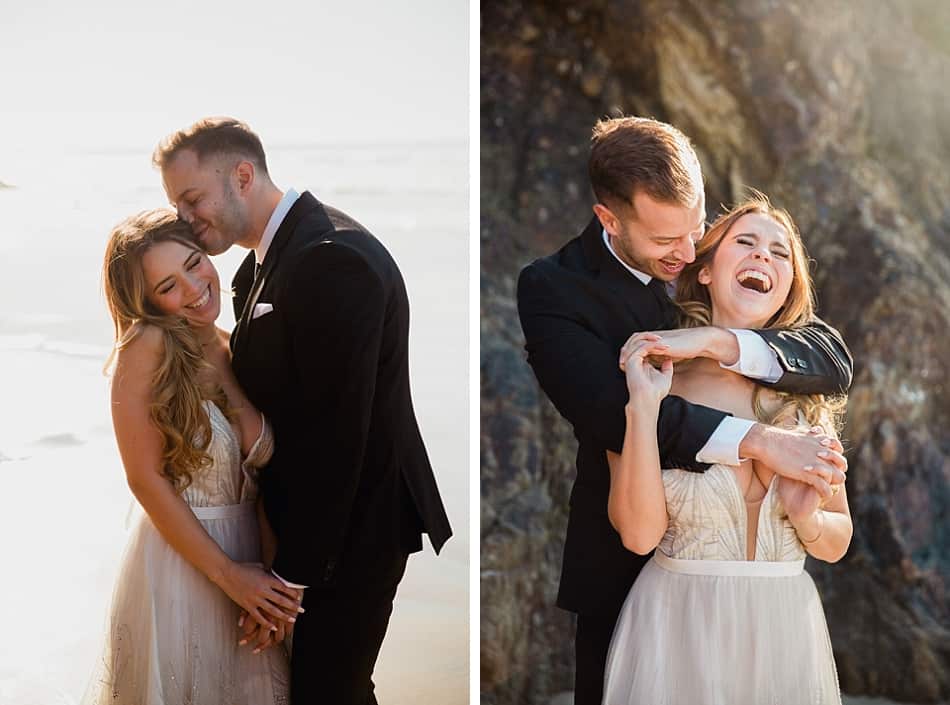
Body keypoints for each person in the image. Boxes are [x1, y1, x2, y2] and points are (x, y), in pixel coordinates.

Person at [516, 116, 853, 705]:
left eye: (698, 227)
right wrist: (758, 441)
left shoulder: (725, 266)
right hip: (639, 584)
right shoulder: (554, 290)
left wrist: (717, 342)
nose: (691, 246)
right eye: (668, 240)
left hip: (777, 624)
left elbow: (831, 358)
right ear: (610, 221)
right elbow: (608, 414)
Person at [154, 116, 453, 704]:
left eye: (192, 200)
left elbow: (339, 438)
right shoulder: (270, 259)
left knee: (328, 691)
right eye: (176, 205)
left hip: (354, 531)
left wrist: (290, 579)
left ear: (242, 175)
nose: (185, 219)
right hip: (317, 528)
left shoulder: (329, 259)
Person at [603, 194, 851, 703]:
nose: (764, 256)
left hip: (787, 633)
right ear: (708, 270)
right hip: (678, 629)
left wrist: (809, 522)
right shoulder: (659, 381)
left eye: (780, 253)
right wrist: (642, 409)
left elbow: (837, 540)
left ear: (786, 289)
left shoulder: (809, 398)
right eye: (746, 242)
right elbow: (638, 534)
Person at [84, 210, 298, 704]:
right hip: (184, 568)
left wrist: (271, 590)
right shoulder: (148, 345)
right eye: (168, 286)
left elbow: (262, 487)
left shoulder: (237, 345)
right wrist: (228, 575)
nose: (194, 287)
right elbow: (144, 479)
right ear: (148, 303)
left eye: (194, 263)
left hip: (254, 572)